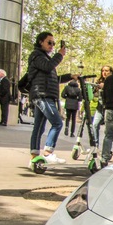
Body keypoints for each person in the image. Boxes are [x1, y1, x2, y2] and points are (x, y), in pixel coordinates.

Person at [28, 31, 67, 165]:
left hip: (45, 95)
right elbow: (47, 67)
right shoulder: (37, 55)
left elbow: (53, 78)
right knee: (57, 122)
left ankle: (34, 157)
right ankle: (48, 153)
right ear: (40, 42)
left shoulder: (44, 57)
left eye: (53, 43)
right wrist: (60, 55)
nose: (52, 46)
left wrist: (70, 76)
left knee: (39, 126)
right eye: (49, 42)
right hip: (42, 95)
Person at [92, 65, 113, 147]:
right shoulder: (99, 82)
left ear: (111, 72)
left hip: (109, 107)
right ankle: (95, 145)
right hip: (100, 107)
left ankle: (108, 148)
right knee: (95, 125)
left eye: (107, 70)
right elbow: (95, 95)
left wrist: (105, 87)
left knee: (109, 130)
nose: (104, 72)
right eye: (103, 70)